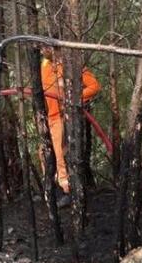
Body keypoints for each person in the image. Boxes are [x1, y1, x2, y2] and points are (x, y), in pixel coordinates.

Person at [39, 47, 100, 203]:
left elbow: (94, 86)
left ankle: (68, 192)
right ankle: (52, 190)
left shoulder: (71, 65)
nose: (41, 51)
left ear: (53, 48)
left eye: (44, 47)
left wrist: (72, 99)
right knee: (43, 153)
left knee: (61, 155)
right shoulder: (44, 65)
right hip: (49, 118)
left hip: (63, 117)